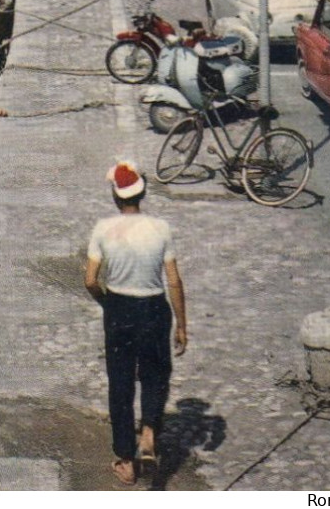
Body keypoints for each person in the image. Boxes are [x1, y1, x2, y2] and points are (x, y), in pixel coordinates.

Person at [86, 162, 187, 487]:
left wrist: (107, 302)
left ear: (116, 198)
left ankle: (126, 461)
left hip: (119, 307)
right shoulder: (160, 228)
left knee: (121, 383)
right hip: (154, 307)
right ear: (142, 193)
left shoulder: (103, 228)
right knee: (156, 375)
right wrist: (182, 325)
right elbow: (174, 281)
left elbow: (90, 280)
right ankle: (148, 434)